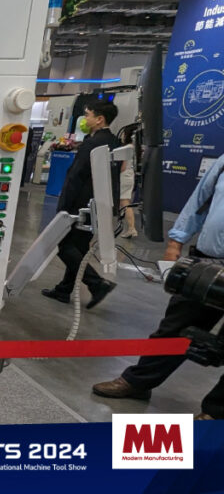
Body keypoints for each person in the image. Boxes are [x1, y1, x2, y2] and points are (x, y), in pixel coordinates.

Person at [93, 154, 224, 420]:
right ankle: (138, 381)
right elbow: (200, 198)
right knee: (176, 326)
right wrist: (176, 241)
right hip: (210, 261)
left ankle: (216, 412)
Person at [41, 100, 120, 309]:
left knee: (64, 245)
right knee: (79, 248)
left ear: (99, 119)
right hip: (99, 205)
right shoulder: (113, 142)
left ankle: (97, 284)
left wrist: (63, 207)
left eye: (88, 115)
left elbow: (75, 176)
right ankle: (64, 290)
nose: (85, 119)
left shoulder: (92, 144)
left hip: (80, 204)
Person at [119, 126, 139, 238]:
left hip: (124, 176)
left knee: (125, 203)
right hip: (130, 175)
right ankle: (131, 228)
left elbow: (122, 167)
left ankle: (131, 228)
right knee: (126, 202)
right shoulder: (135, 147)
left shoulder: (126, 148)